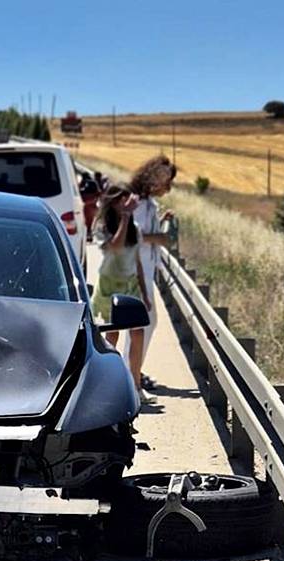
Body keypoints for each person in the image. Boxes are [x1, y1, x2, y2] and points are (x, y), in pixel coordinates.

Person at [91, 184, 151, 399]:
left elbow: (137, 261)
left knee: (137, 333)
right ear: (112, 202)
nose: (125, 205)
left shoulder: (133, 227)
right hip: (110, 285)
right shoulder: (102, 226)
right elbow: (114, 247)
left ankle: (136, 385)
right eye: (121, 201)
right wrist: (125, 219)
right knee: (112, 334)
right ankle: (109, 383)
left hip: (131, 284)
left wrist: (145, 293)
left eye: (127, 201)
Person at [128, 155, 177, 393]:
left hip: (144, 271)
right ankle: (131, 375)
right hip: (136, 272)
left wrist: (160, 221)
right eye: (165, 181)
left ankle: (134, 372)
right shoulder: (137, 203)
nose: (167, 188)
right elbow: (132, 237)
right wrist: (159, 238)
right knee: (143, 323)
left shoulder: (147, 204)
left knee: (143, 323)